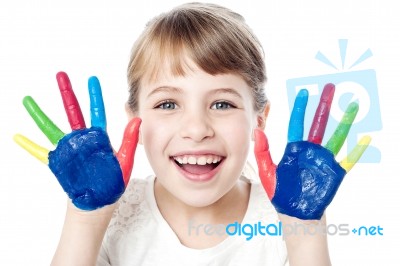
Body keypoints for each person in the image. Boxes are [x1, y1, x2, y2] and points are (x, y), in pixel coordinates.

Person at [14, 2, 370, 266]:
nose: (197, 129)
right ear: (134, 122)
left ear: (259, 119)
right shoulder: (112, 212)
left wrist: (303, 230)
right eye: (168, 104)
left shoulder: (283, 216)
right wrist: (86, 218)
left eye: (222, 104)